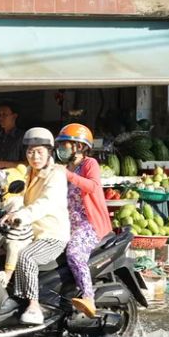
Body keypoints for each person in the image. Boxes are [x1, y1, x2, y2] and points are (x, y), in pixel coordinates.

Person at [1, 128, 70, 325]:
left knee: (26, 257)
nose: (35, 156)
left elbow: (45, 203)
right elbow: (18, 196)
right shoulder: (29, 172)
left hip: (51, 234)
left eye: (40, 152)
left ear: (50, 152)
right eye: (30, 152)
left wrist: (21, 216)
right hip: (31, 231)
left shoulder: (56, 175)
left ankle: (33, 306)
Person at [55, 123, 111, 318]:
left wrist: (68, 175)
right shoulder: (64, 167)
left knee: (74, 253)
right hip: (69, 225)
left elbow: (93, 187)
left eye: (66, 145)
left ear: (79, 146)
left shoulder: (89, 164)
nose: (62, 149)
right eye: (60, 145)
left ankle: (89, 297)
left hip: (90, 225)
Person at [0, 102, 25, 170]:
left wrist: (4, 164)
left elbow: (28, 164)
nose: (1, 118)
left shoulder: (22, 137)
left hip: (14, 178)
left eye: (4, 115)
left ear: (14, 116)